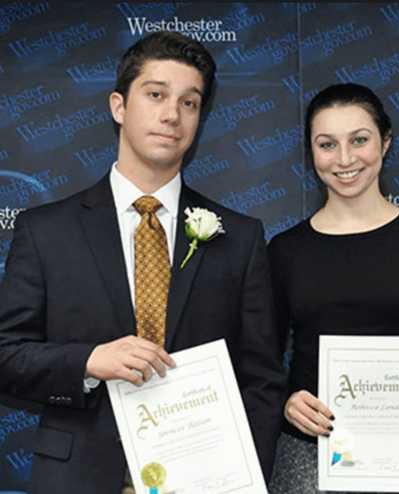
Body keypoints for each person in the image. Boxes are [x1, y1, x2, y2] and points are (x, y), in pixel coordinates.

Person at [0, 31, 286, 492]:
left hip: (205, 481)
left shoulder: (240, 237)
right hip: (79, 478)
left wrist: (241, 478)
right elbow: (6, 353)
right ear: (119, 106)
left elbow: (262, 381)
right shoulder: (46, 230)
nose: (172, 114)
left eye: (189, 103)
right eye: (156, 95)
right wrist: (90, 360)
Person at [267, 83, 399, 493]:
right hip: (311, 462)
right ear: (311, 153)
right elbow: (258, 362)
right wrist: (286, 403)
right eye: (327, 144)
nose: (344, 159)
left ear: (386, 142)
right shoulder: (285, 251)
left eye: (359, 140)